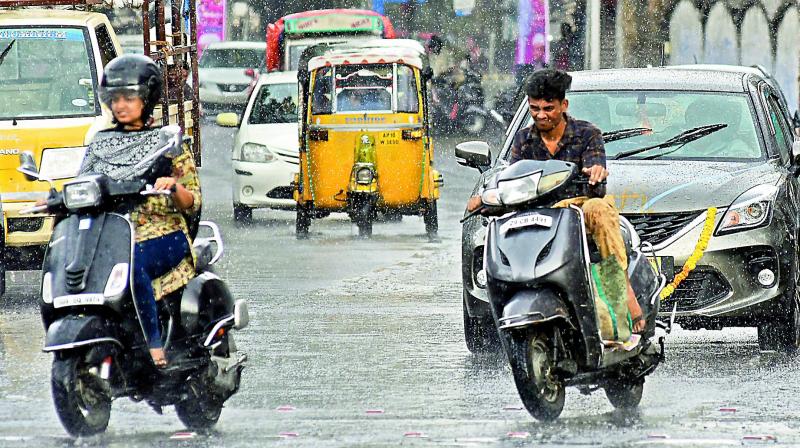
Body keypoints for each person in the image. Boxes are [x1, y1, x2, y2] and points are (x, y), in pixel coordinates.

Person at [466, 68, 645, 334]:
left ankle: (623, 294)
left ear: (564, 105)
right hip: (536, 217)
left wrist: (596, 171)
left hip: (579, 212)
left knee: (600, 208)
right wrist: (486, 198)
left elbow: (597, 175)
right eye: (534, 108)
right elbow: (512, 180)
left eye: (548, 108)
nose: (541, 115)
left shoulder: (588, 134)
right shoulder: (523, 139)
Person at [81, 55, 202, 367]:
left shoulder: (168, 142)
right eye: (115, 98)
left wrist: (173, 187)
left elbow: (193, 201)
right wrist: (52, 197)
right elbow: (83, 181)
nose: (121, 105)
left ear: (146, 100)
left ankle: (155, 346)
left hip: (163, 232)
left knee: (132, 265)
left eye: (129, 97)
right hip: (112, 232)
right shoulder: (101, 143)